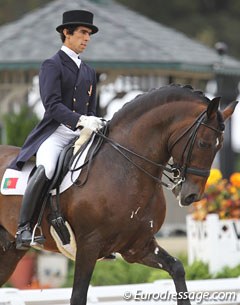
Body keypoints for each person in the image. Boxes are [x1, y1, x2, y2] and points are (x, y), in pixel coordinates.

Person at [9, 10, 104, 250]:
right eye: (83, 32)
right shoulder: (52, 65)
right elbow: (51, 106)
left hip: (82, 133)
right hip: (56, 133)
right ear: (66, 32)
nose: (87, 38)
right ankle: (25, 227)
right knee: (48, 168)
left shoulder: (89, 71)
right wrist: (81, 119)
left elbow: (92, 109)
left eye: (89, 34)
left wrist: (94, 121)